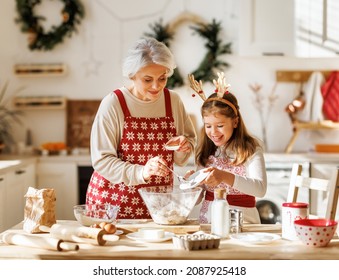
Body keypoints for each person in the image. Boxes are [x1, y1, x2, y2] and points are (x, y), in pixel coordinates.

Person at [86, 37, 197, 219]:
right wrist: (141, 172)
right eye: (147, 80)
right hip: (112, 204)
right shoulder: (114, 104)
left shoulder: (173, 101)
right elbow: (101, 160)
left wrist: (183, 147)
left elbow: (184, 152)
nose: (156, 86)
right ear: (132, 75)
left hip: (158, 204)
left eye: (162, 78)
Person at [188, 72, 267, 224]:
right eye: (208, 126)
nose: (213, 132)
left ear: (235, 122)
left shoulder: (250, 150)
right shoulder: (205, 152)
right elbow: (197, 199)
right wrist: (192, 185)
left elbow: (260, 189)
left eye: (220, 126)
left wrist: (224, 176)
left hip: (244, 224)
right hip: (208, 222)